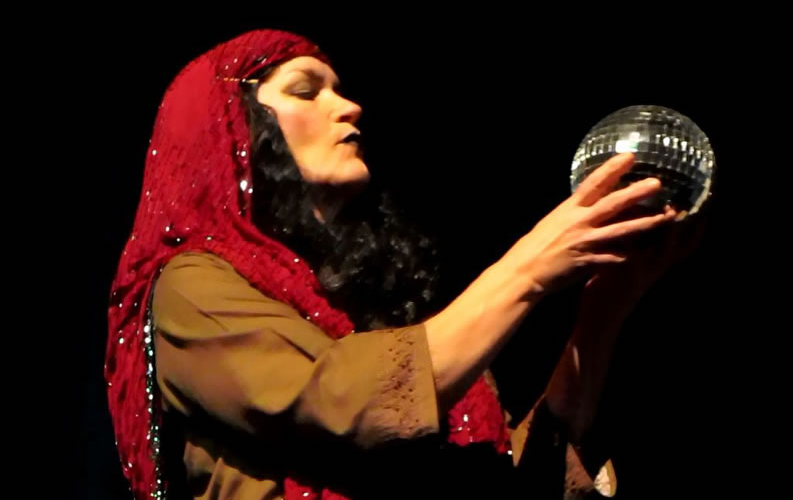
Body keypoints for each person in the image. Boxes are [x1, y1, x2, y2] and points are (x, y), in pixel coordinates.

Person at [106, 29, 692, 499]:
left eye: (339, 90)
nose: (349, 106)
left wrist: (601, 311)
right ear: (230, 127)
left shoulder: (385, 313)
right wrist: (531, 266)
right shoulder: (190, 285)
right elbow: (344, 402)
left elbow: (503, 480)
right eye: (306, 91)